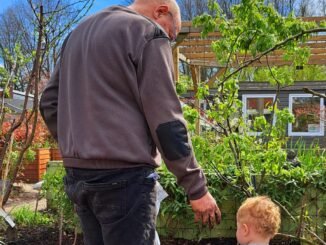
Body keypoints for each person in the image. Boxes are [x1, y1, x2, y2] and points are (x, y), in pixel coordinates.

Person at [39, 0, 221, 244]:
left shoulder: (78, 33)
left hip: (78, 177)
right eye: (171, 33)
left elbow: (49, 102)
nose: (169, 40)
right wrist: (196, 188)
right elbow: (166, 121)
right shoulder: (146, 32)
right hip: (124, 182)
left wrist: (80, 142)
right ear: (160, 11)